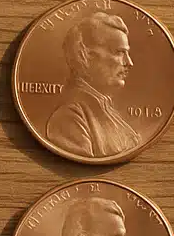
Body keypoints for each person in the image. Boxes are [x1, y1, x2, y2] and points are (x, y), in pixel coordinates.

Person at [44, 11, 142, 159]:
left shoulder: (107, 110)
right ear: (86, 55)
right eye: (120, 52)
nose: (129, 62)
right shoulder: (70, 118)